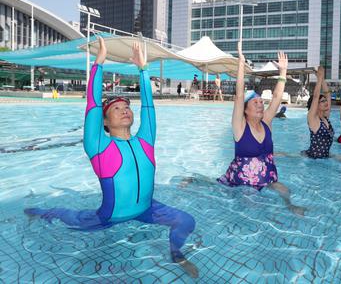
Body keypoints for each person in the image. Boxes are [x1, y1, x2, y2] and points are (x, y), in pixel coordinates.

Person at [25, 38, 199, 278]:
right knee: (69, 217)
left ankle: (176, 252)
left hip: (148, 209)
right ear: (105, 122)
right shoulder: (98, 147)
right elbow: (93, 105)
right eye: (116, 108)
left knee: (186, 220)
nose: (125, 109)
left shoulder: (145, 141)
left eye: (126, 106)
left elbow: (149, 107)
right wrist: (99, 63)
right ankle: (40, 211)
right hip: (110, 216)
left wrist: (143, 69)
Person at [218, 40, 305, 215]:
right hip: (239, 184)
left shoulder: (266, 123)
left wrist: (283, 72)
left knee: (284, 191)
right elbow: (239, 94)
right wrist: (241, 64)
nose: (260, 104)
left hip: (267, 181)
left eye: (261, 102)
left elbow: (277, 97)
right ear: (246, 110)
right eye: (255, 102)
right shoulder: (240, 126)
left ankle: (290, 207)